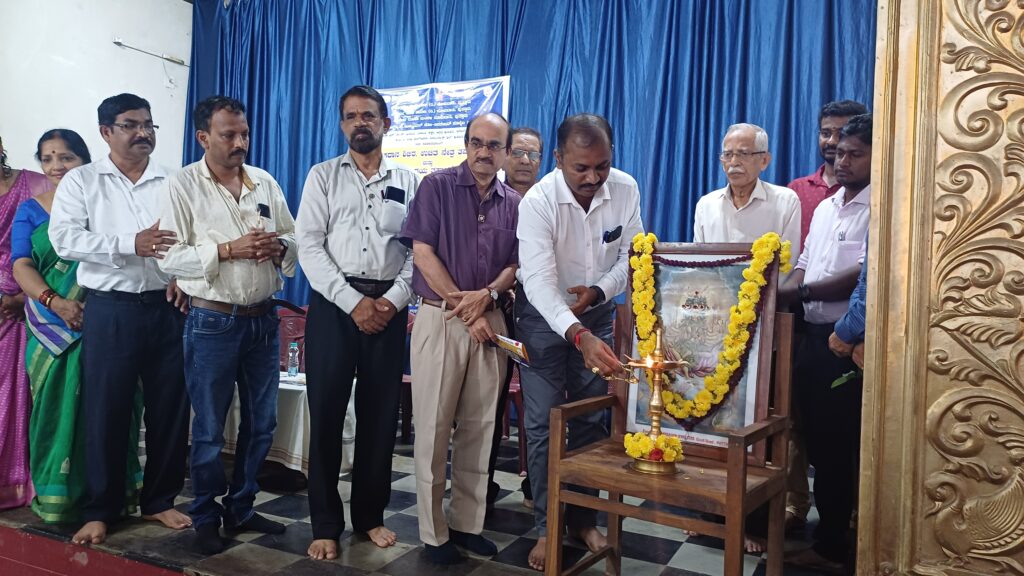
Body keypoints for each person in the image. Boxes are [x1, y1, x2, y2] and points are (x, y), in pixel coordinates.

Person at [49, 93, 192, 545]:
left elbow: (193, 238)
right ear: (106, 132)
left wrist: (184, 276)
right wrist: (131, 243)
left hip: (169, 307)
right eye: (131, 125)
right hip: (111, 309)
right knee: (106, 410)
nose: (143, 133)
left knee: (170, 408)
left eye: (148, 124)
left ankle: (160, 500)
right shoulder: (82, 181)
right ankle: (101, 509)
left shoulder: (176, 179)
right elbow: (65, 239)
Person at [158, 96, 297, 553]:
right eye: (228, 135)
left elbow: (293, 236)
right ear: (203, 137)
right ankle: (204, 514)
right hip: (212, 321)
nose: (240, 143)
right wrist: (226, 250)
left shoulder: (264, 182)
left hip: (264, 320)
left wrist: (280, 248)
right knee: (210, 428)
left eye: (244, 133)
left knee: (262, 423)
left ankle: (242, 506)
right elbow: (167, 257)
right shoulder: (182, 185)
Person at [295, 85, 418, 559]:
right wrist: (353, 303)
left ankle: (370, 516)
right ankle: (325, 522)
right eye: (350, 116)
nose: (359, 123)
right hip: (334, 305)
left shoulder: (410, 181)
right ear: (342, 124)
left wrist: (391, 301)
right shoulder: (323, 176)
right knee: (326, 415)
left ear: (386, 123)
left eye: (368, 115)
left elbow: (418, 252)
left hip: (389, 308)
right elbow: (309, 246)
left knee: (380, 418)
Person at [516, 113, 642, 572]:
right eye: (581, 168)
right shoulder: (538, 202)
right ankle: (547, 526)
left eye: (601, 166)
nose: (593, 178)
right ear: (558, 158)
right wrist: (578, 333)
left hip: (596, 311)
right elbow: (538, 282)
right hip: (541, 318)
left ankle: (583, 521)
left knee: (591, 418)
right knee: (545, 424)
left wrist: (599, 293)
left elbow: (631, 254)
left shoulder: (625, 189)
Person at [400, 112, 520, 565]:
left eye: (493, 145)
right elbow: (422, 253)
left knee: (481, 426)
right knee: (433, 428)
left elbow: (515, 265)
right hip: (442, 320)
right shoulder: (436, 186)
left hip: (492, 321)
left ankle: (467, 525)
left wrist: (488, 296)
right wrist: (466, 309)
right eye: (476, 142)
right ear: (466, 144)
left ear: (506, 152)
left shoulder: (514, 202)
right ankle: (434, 534)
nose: (484, 152)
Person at [12, 130, 144, 523]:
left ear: (85, 160)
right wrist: (57, 302)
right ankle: (58, 498)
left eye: (66, 157)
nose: (56, 166)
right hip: (50, 325)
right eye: (47, 158)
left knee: (113, 407)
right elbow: (22, 263)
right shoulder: (31, 210)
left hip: (109, 319)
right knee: (54, 409)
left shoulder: (106, 205)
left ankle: (112, 496)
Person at [780, 113, 873, 573]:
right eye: (839, 154)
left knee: (839, 448)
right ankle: (829, 534)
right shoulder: (827, 206)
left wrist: (803, 292)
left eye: (855, 154)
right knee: (815, 440)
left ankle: (835, 545)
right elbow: (804, 261)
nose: (842, 161)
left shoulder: (880, 209)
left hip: (847, 342)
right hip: (813, 337)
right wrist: (783, 292)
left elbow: (864, 274)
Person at [487, 126, 544, 510]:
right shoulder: (489, 199)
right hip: (498, 311)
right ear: (505, 155)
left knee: (541, 405)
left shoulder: (550, 199)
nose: (525, 161)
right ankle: (481, 484)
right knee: (487, 401)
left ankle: (537, 486)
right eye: (518, 152)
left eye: (532, 154)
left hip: (541, 314)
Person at [0, 135, 50, 510]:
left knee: (22, 394)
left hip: (32, 302)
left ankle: (18, 480)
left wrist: (26, 296)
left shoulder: (36, 184)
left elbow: (55, 247)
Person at [693, 123, 800, 270]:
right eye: (727, 155)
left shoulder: (786, 202)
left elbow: (787, 265)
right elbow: (699, 264)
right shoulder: (706, 205)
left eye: (743, 154)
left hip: (767, 285)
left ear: (764, 160)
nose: (733, 162)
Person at [787, 100, 869, 251]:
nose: (831, 141)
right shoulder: (796, 189)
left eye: (841, 134)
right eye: (826, 134)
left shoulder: (864, 192)